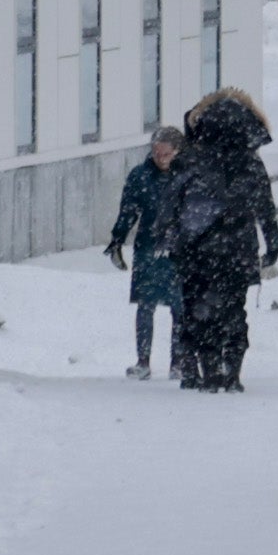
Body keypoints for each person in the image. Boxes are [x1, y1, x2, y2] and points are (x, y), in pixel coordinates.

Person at [165, 89, 278, 393]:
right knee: (234, 310)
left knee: (198, 309)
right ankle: (232, 372)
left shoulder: (189, 160)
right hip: (238, 249)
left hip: (196, 248)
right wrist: (273, 242)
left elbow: (171, 205)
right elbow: (265, 208)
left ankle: (207, 370)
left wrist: (170, 240)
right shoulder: (251, 163)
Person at [103, 124, 185, 381]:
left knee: (181, 306)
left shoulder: (188, 175)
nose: (160, 158)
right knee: (145, 305)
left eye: (166, 154)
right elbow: (128, 211)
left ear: (178, 151)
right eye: (156, 153)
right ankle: (143, 361)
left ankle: (179, 362)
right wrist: (117, 239)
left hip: (180, 250)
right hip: (148, 248)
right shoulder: (140, 176)